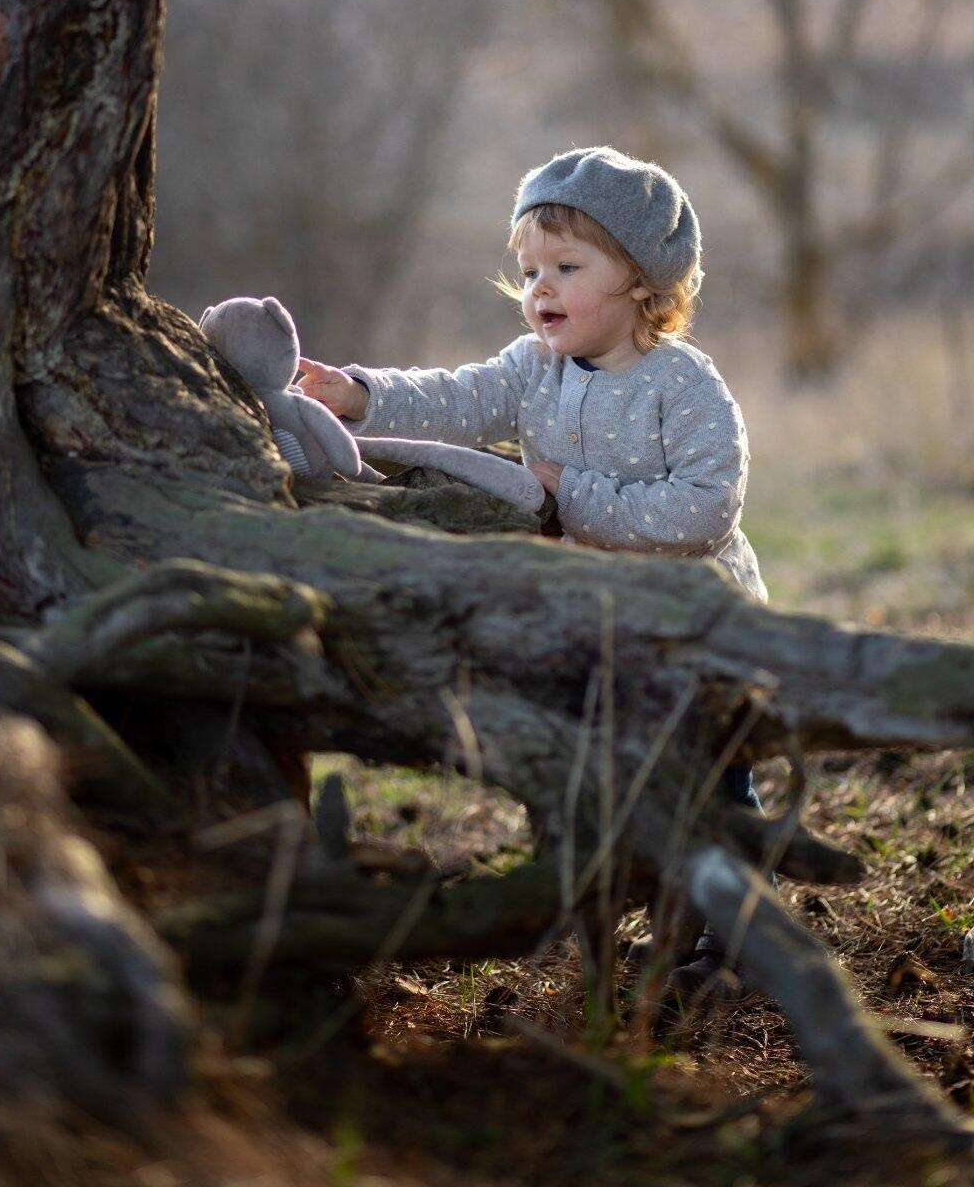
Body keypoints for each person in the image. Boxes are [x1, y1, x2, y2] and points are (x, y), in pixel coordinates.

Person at [297, 145, 767, 988]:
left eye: (565, 265)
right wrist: (359, 394)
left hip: (694, 630)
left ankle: (737, 941)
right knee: (596, 770)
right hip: (591, 624)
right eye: (527, 270)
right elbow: (456, 397)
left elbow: (704, 511)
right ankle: (624, 905)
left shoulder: (683, 386)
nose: (538, 288)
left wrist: (568, 493)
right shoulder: (534, 369)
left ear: (641, 279)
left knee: (706, 778)